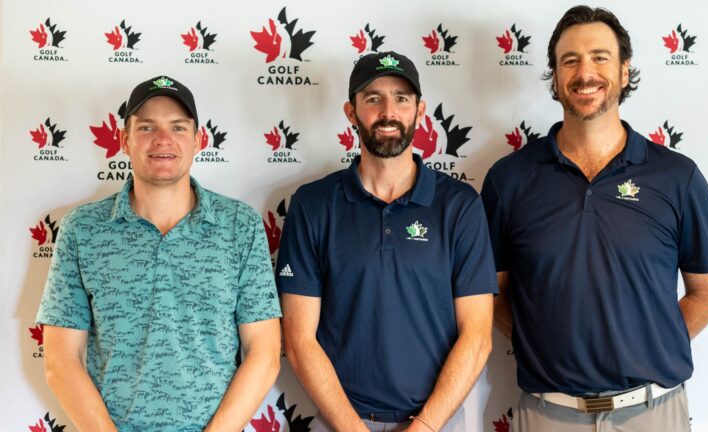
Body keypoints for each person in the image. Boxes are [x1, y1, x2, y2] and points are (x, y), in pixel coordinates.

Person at [481, 6, 708, 431]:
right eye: (570, 60)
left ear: (624, 70)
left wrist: (650, 345)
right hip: (547, 413)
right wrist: (541, 343)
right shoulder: (510, 180)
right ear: (555, 76)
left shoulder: (676, 177)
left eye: (600, 57)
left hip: (654, 411)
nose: (585, 73)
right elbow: (489, 296)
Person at [36, 75, 282, 431]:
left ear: (198, 140)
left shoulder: (239, 226)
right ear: (125, 140)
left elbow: (264, 352)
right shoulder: (83, 229)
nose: (163, 140)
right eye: (147, 127)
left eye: (178, 127)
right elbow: (61, 359)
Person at [277, 51, 497, 432]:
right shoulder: (313, 205)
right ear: (351, 112)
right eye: (373, 98)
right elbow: (298, 340)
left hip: (436, 423)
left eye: (401, 98)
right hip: (340, 423)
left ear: (420, 110)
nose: (388, 111)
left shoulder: (460, 206)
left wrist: (425, 427)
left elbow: (477, 337)